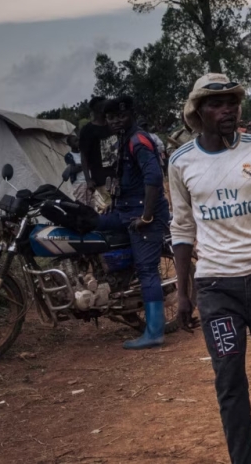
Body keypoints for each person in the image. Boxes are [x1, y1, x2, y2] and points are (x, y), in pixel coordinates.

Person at [169, 74, 251, 464]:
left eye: (232, 102)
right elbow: (182, 228)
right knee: (230, 383)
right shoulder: (181, 163)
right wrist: (183, 292)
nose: (227, 109)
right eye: (216, 104)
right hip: (215, 288)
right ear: (198, 113)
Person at [95, 95, 169, 350]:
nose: (116, 121)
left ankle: (155, 332)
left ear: (131, 115)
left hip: (143, 213)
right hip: (125, 211)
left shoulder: (138, 140)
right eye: (111, 117)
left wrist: (147, 216)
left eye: (121, 116)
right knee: (93, 226)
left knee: (147, 270)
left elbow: (154, 178)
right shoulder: (122, 140)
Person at [79, 96, 116, 212]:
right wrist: (88, 180)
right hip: (101, 180)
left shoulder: (113, 125)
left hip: (118, 177)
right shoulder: (87, 130)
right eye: (103, 106)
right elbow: (84, 156)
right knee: (106, 210)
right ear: (96, 109)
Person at [63, 134, 87, 203]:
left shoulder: (84, 153)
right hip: (78, 183)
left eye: (78, 140)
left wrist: (80, 166)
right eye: (75, 141)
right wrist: (84, 165)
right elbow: (72, 169)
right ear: (70, 144)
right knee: (82, 204)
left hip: (88, 181)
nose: (78, 142)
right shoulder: (69, 156)